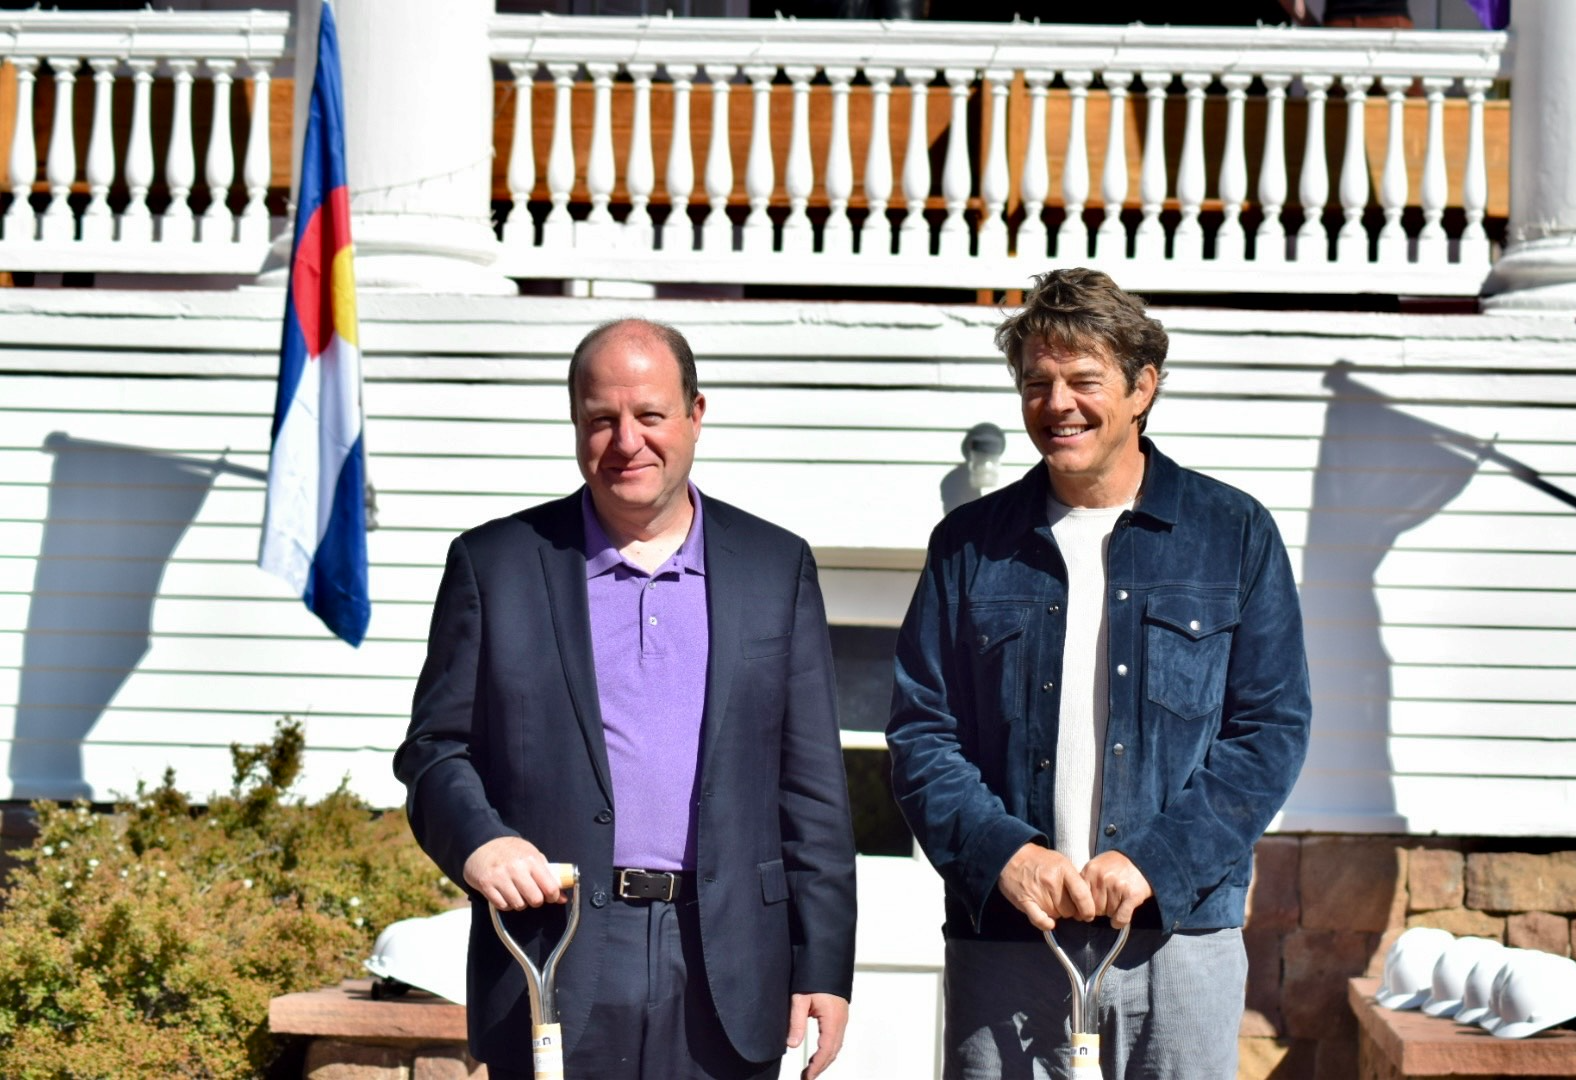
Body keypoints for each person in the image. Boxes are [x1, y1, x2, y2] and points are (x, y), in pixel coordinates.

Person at [396, 318, 857, 1080]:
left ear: (695, 415)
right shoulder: (497, 565)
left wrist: (825, 963)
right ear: (576, 423)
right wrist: (481, 840)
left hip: (729, 963)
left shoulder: (776, 567)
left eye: (649, 415)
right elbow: (433, 750)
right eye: (602, 419)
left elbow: (811, 788)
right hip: (555, 950)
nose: (626, 441)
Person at [886, 268, 1310, 1079]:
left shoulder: (1234, 534)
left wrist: (1156, 860)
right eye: (1037, 382)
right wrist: (1005, 853)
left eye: (1084, 380)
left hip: (1179, 943)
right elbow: (919, 731)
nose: (1058, 404)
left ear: (1143, 386)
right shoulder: (969, 546)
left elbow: (1271, 732)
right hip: (1007, 945)